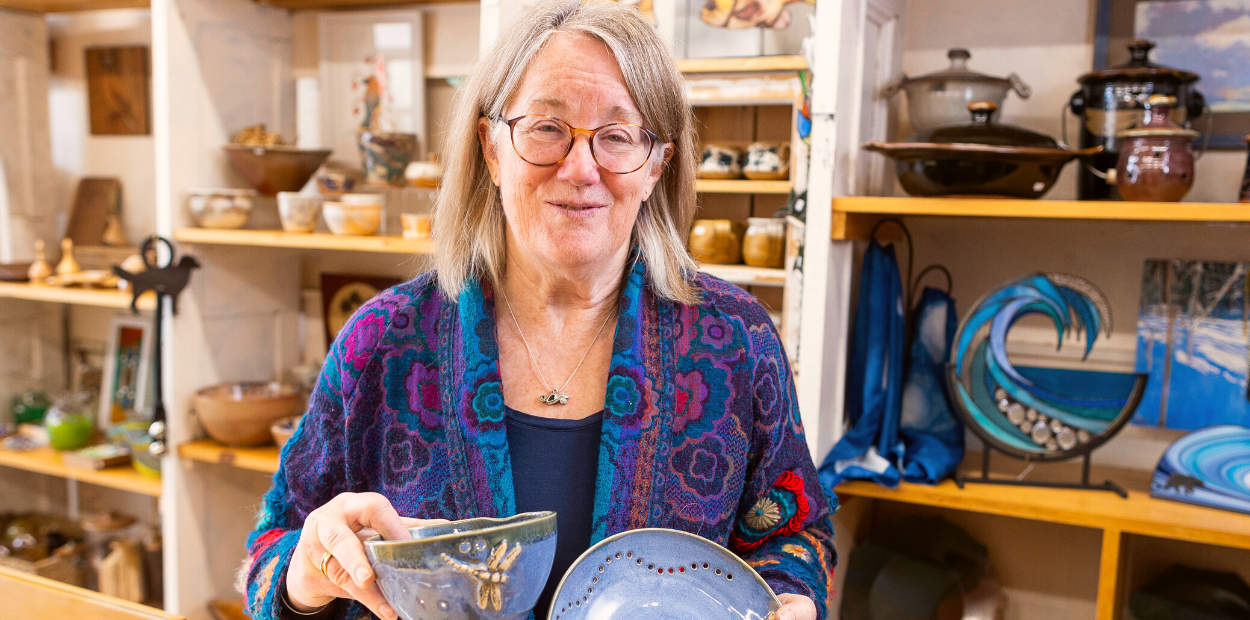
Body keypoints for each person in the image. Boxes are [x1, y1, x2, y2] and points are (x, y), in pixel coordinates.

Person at [240, 1, 837, 618]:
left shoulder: (735, 340)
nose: (581, 169)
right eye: (546, 129)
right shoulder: (383, 341)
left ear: (657, 164)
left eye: (617, 136)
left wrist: (793, 599)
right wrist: (303, 579)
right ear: (491, 148)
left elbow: (792, 533)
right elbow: (273, 549)